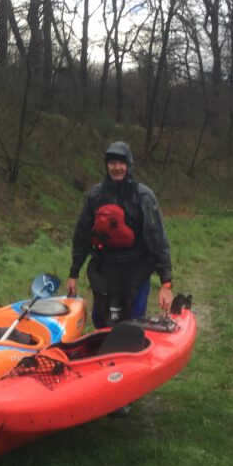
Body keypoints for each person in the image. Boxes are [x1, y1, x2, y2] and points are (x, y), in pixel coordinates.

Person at [68, 142, 175, 410]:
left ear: (129, 165)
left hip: (135, 268)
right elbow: (81, 236)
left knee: (129, 324)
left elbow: (157, 238)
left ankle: (125, 390)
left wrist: (166, 282)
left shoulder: (144, 197)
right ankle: (104, 379)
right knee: (102, 321)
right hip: (104, 268)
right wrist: (73, 273)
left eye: (121, 162)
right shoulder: (94, 197)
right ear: (106, 165)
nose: (116, 167)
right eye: (112, 162)